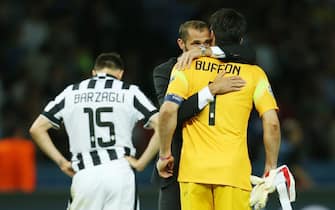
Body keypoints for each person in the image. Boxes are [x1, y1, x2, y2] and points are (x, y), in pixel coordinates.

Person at [157, 8, 281, 210]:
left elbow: (168, 111)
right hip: (233, 172)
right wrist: (270, 167)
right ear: (241, 39)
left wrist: (165, 155)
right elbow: (272, 123)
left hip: (193, 172)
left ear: (211, 34)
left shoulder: (185, 66)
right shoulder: (254, 74)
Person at [128, 20, 255, 210]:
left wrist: (204, 52)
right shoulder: (168, 70)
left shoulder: (225, 66)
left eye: (207, 43)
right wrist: (210, 90)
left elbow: (249, 53)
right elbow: (171, 115)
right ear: (182, 44)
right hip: (176, 163)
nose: (201, 48)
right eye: (196, 44)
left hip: (217, 166)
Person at [29, 52, 159, 210]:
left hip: (85, 173)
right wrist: (142, 162)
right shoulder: (130, 92)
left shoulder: (71, 92)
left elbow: (36, 129)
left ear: (93, 72)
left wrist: (62, 162)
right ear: (120, 74)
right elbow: (162, 124)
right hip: (119, 171)